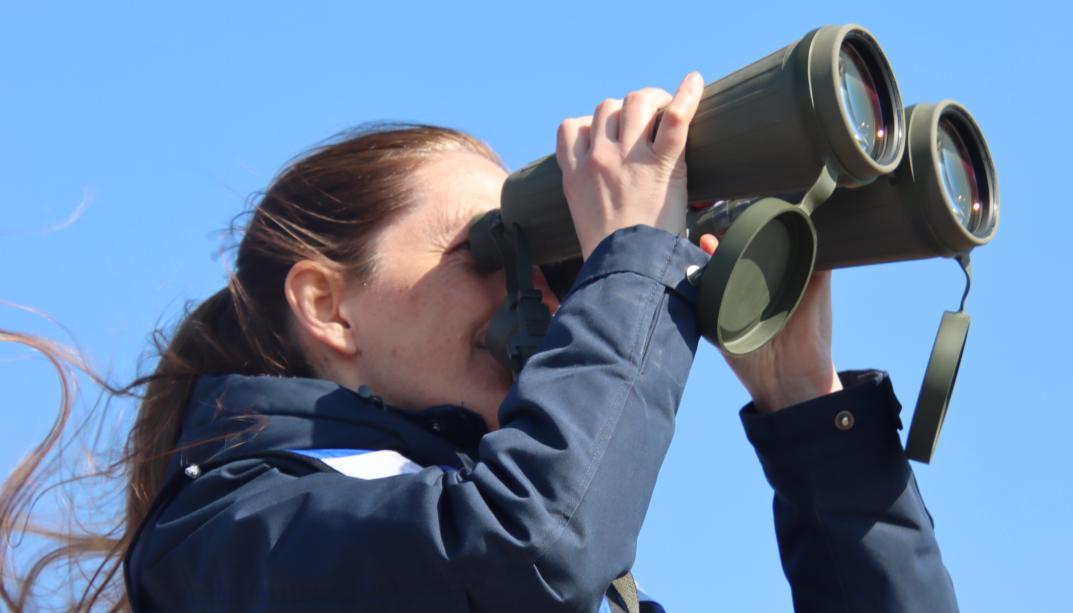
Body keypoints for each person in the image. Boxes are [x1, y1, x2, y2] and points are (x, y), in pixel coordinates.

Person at [1, 73, 958, 612]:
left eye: (536, 251)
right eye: (482, 249)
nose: (535, 283)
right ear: (329, 307)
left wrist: (808, 417)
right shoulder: (232, 532)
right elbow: (524, 547)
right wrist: (636, 262)